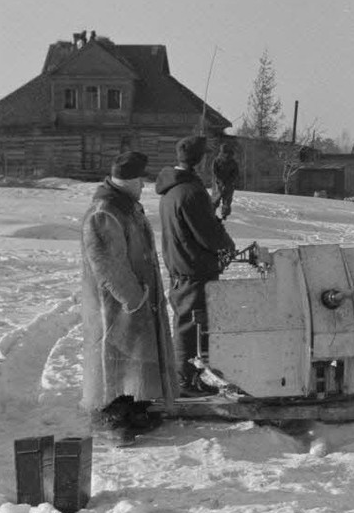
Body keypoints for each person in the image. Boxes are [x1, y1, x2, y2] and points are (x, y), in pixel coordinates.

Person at [80, 151, 178, 414]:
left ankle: (135, 410)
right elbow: (109, 265)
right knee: (116, 361)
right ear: (129, 182)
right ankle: (116, 420)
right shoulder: (105, 212)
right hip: (116, 307)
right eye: (139, 181)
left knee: (131, 362)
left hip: (134, 303)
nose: (143, 186)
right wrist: (134, 299)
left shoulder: (124, 206)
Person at [156, 135, 236, 395]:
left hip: (181, 266)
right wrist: (226, 246)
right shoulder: (190, 192)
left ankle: (190, 377)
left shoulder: (172, 189)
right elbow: (209, 235)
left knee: (189, 323)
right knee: (193, 326)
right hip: (194, 269)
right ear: (201, 161)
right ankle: (187, 382)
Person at [210, 141, 240, 220]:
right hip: (228, 184)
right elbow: (235, 173)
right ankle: (224, 215)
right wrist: (229, 181)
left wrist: (220, 180)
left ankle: (212, 214)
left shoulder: (217, 160)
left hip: (219, 183)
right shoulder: (233, 161)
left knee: (215, 199)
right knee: (227, 200)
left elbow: (214, 171)